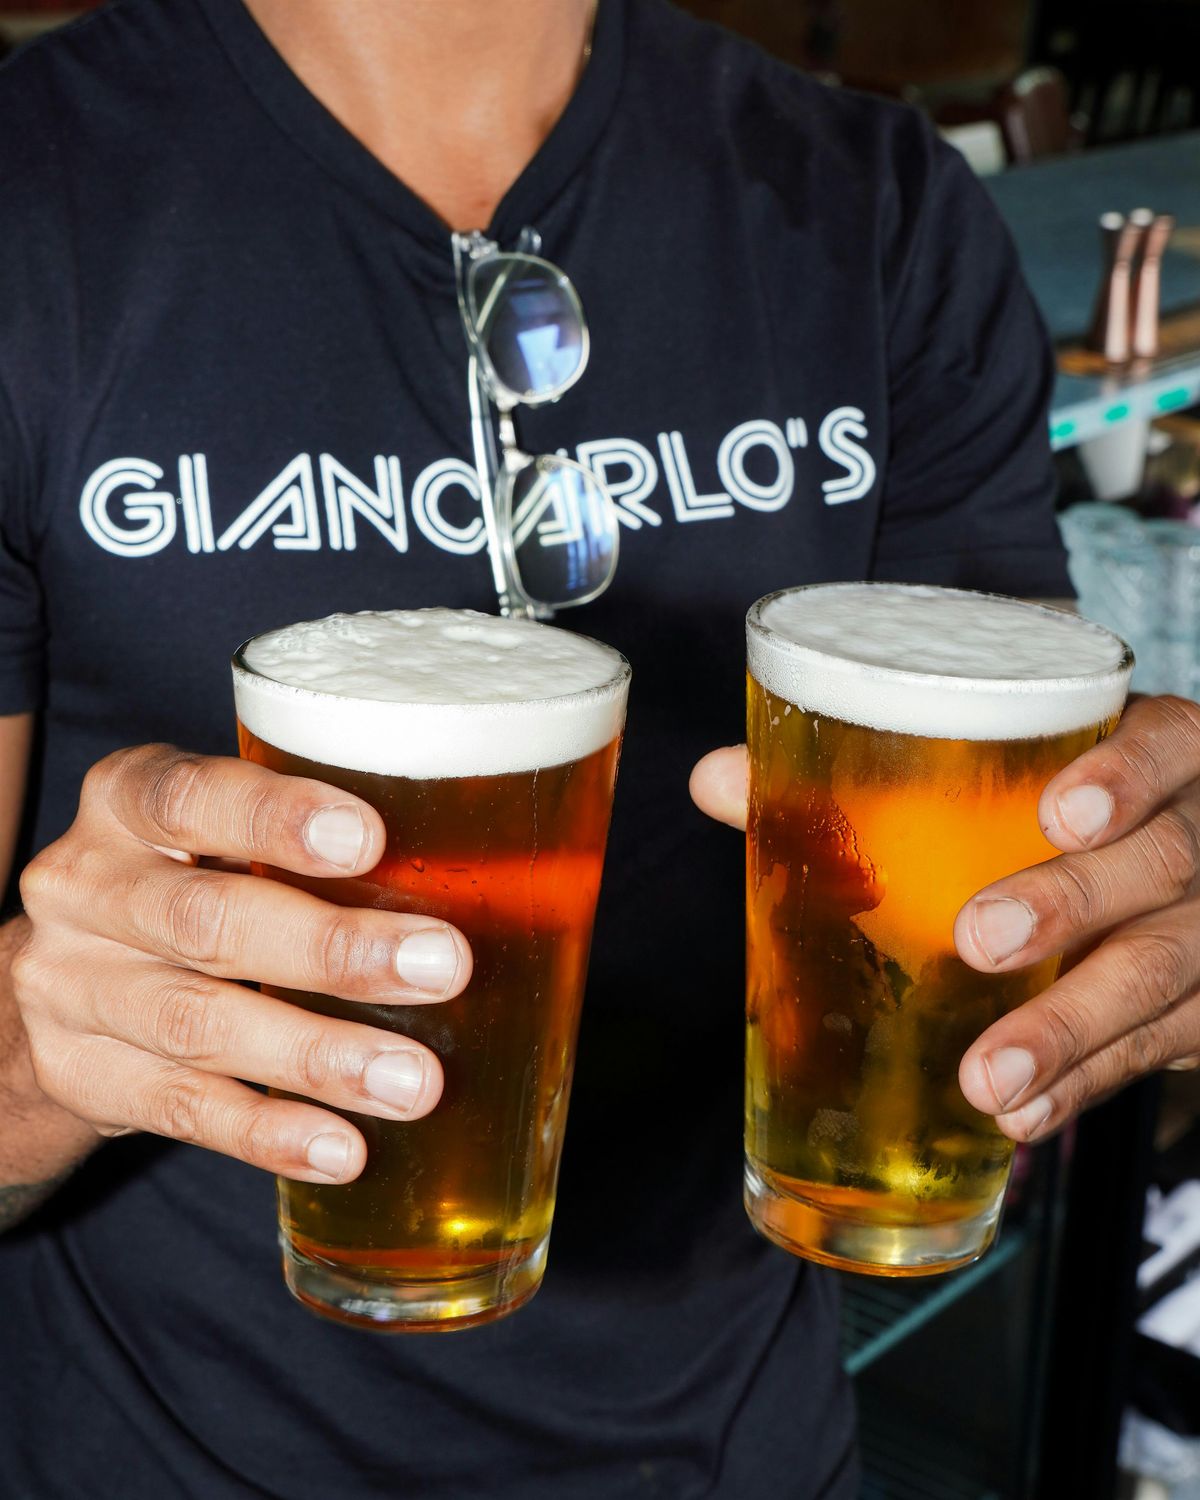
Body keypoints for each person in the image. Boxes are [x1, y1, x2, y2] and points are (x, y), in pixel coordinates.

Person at [2, 0, 1198, 1495]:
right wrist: (35, 1056)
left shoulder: (877, 200)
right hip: (155, 1454)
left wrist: (1126, 903)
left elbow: (1005, 892)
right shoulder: (36, 190)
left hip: (753, 1448)